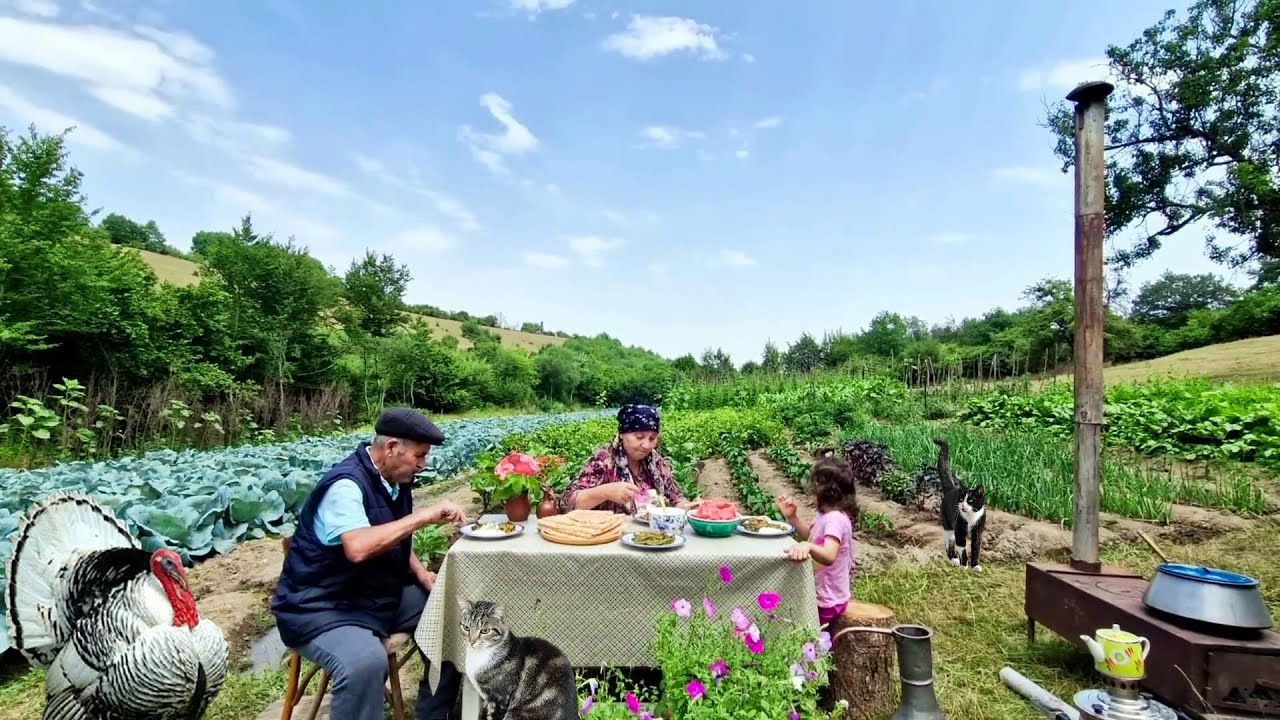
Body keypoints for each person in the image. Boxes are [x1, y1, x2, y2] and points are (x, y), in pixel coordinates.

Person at [271, 407, 468, 720]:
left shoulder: (395, 479)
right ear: (391, 448)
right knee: (364, 663)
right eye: (419, 455)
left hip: (373, 596)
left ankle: (432, 715)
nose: (423, 464)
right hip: (323, 606)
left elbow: (393, 535)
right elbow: (359, 547)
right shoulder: (345, 486)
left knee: (452, 616)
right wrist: (423, 517)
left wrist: (422, 576)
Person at [559, 403, 699, 514]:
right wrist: (605, 492)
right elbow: (567, 503)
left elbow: (676, 498)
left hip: (650, 536)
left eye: (652, 438)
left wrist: (688, 508)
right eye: (639, 437)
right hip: (609, 537)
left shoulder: (655, 462)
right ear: (622, 434)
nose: (646, 445)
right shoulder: (604, 460)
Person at [776, 453, 858, 628]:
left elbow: (828, 555)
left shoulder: (835, 519)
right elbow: (813, 537)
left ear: (825, 491)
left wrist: (808, 546)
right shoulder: (825, 515)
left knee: (810, 635)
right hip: (822, 594)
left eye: (815, 485)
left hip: (829, 600)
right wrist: (793, 518)